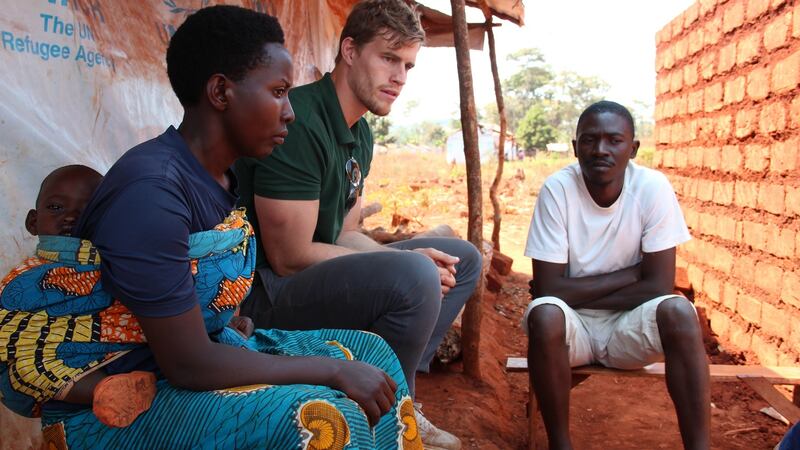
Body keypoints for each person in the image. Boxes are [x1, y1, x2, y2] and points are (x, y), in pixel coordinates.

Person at [0, 6, 421, 448]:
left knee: (373, 355)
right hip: (126, 403)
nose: (290, 112)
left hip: (193, 360)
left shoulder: (220, 175)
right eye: (278, 91)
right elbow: (188, 364)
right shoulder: (152, 194)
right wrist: (330, 370)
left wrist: (229, 320)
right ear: (221, 91)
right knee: (317, 414)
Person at [234, 1, 481, 448]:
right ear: (349, 50)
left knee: (462, 259)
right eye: (388, 58)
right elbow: (288, 259)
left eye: (407, 65)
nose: (400, 77)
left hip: (311, 275)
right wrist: (400, 261)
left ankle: (394, 384)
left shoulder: (359, 133)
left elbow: (347, 232)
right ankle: (396, 412)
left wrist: (403, 257)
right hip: (261, 293)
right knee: (415, 272)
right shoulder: (302, 120)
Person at [522, 101, 710, 450]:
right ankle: (560, 446)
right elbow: (549, 290)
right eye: (589, 140)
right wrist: (632, 274)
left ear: (633, 148)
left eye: (614, 140)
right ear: (575, 146)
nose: (600, 150)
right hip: (570, 329)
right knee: (546, 314)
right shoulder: (557, 190)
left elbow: (658, 286)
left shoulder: (652, 188)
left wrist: (569, 289)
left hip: (629, 328)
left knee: (680, 312)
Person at [22, 164, 158, 428]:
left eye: (88, 210)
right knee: (30, 357)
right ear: (32, 221)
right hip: (69, 382)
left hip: (122, 356)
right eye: (56, 207)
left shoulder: (115, 264)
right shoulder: (27, 278)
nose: (72, 217)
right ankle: (105, 390)